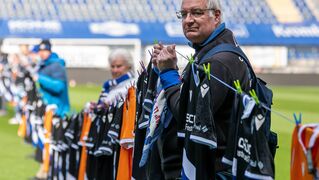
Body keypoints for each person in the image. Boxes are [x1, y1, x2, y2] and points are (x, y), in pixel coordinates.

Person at [152, 0, 251, 179]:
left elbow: (189, 117)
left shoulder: (220, 61)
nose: (188, 20)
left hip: (213, 171)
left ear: (217, 16)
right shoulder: (211, 52)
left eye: (197, 12)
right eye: (183, 14)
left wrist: (167, 73)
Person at [33, 39, 70, 179]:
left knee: (55, 146)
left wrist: (40, 78)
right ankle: (44, 172)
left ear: (49, 50)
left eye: (44, 50)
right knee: (47, 143)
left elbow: (59, 87)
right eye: (40, 51)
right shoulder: (45, 64)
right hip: (48, 110)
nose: (41, 54)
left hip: (57, 111)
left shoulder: (56, 66)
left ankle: (50, 173)